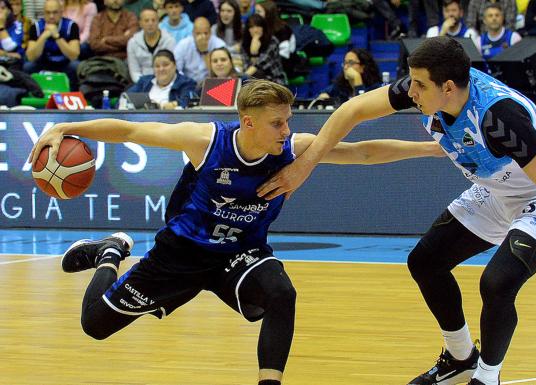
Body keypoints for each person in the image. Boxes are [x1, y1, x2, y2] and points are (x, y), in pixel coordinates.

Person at [29, 79, 444, 385]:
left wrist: (434, 148)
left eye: (288, 121)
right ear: (247, 122)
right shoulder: (206, 141)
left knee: (282, 293)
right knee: (94, 325)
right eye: (277, 124)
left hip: (239, 253)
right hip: (181, 253)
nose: (286, 131)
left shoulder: (294, 149)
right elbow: (130, 130)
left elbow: (363, 152)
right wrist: (66, 128)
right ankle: (108, 252)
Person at [257, 36, 536, 385]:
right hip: (498, 187)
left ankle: (487, 378)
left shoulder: (499, 118)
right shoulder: (427, 91)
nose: (411, 93)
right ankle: (460, 358)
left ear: (449, 88)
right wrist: (307, 163)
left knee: (497, 282)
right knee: (425, 262)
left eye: (420, 86)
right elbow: (352, 111)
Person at [25, 0, 80, 87]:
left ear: (61, 12)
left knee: (75, 65)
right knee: (28, 66)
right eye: (48, 13)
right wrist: (43, 36)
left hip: (64, 63)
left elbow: (74, 55)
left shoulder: (71, 26)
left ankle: (71, 93)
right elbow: (31, 57)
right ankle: (33, 92)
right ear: (43, 13)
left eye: (55, 12)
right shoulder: (36, 27)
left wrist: (57, 37)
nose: (51, 16)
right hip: (43, 62)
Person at [126, 48, 196, 109]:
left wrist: (174, 104)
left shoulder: (186, 83)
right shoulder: (144, 82)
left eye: (165, 65)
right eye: (157, 66)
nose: (161, 69)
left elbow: (190, 100)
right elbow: (126, 97)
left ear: (175, 65)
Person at [317, 48, 382, 105]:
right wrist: (323, 95)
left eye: (351, 63)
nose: (345, 67)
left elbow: (361, 107)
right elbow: (324, 93)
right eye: (345, 63)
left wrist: (357, 79)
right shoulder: (340, 86)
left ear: (363, 67)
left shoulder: (375, 88)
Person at [127, 7, 175, 83]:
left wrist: (160, 83)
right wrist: (146, 83)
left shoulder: (169, 40)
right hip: (142, 83)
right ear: (140, 23)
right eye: (146, 21)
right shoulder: (133, 43)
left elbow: (172, 67)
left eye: (153, 20)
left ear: (158, 22)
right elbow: (134, 72)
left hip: (166, 81)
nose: (150, 23)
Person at [173, 16, 225, 84]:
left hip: (211, 83)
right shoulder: (183, 45)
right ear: (193, 33)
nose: (202, 37)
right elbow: (176, 70)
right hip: (187, 84)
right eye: (198, 33)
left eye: (206, 33)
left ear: (211, 33)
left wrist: (205, 52)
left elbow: (220, 74)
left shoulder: (219, 45)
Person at [241, 13, 286, 85]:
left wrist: (254, 53)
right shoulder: (245, 43)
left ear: (263, 28)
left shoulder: (272, 41)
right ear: (248, 29)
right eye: (251, 27)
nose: (255, 30)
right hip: (253, 81)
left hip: (274, 81)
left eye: (258, 26)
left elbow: (260, 66)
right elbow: (246, 66)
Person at [212, 0, 242, 70]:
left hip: (238, 62)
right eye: (222, 11)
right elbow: (215, 51)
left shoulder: (243, 29)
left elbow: (242, 52)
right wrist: (234, 49)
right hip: (220, 62)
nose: (225, 14)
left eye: (229, 11)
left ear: (236, 13)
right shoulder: (214, 29)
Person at [0, 0, 25, 67]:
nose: (0, 11)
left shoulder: (17, 25)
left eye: (2, 8)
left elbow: (10, 47)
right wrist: (7, 54)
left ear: (9, 11)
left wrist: (1, 27)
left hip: (12, 63)